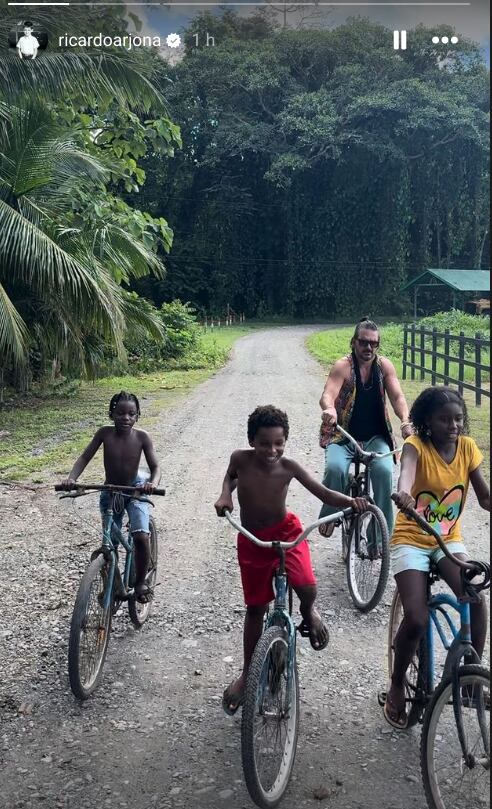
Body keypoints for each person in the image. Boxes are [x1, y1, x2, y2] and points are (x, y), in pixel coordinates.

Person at [214, 404, 369, 715]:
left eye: (278, 443)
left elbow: (324, 493)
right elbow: (230, 478)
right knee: (255, 608)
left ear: (285, 441)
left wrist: (352, 502)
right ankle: (247, 674)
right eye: (263, 443)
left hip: (286, 534)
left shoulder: (289, 467)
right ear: (251, 440)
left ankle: (310, 613)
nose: (271, 450)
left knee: (306, 585)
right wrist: (225, 495)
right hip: (253, 539)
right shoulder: (239, 459)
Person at [384, 387, 489, 729]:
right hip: (412, 539)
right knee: (415, 617)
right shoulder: (417, 446)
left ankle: (471, 678)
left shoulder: (468, 450)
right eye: (444, 419)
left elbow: (485, 498)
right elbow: (408, 472)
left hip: (448, 541)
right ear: (427, 421)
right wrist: (403, 492)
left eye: (458, 418)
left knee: (475, 599)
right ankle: (397, 684)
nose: (453, 425)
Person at [60, 391, 162, 603]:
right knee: (110, 543)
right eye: (120, 413)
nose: (126, 418)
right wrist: (72, 478)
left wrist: (152, 484)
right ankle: (112, 586)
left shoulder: (142, 437)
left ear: (137, 416)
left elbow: (155, 467)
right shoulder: (104, 433)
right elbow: (84, 457)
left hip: (136, 490)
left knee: (141, 536)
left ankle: (141, 581)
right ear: (111, 414)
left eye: (131, 414)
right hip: (111, 491)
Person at [318, 316, 413, 537]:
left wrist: (406, 420)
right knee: (335, 469)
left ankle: (378, 539)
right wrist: (329, 410)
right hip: (343, 437)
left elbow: (397, 396)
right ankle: (330, 514)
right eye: (363, 342)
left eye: (373, 343)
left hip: (376, 437)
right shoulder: (344, 366)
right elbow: (328, 394)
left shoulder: (384, 366)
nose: (368, 347)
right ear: (354, 342)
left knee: (384, 472)